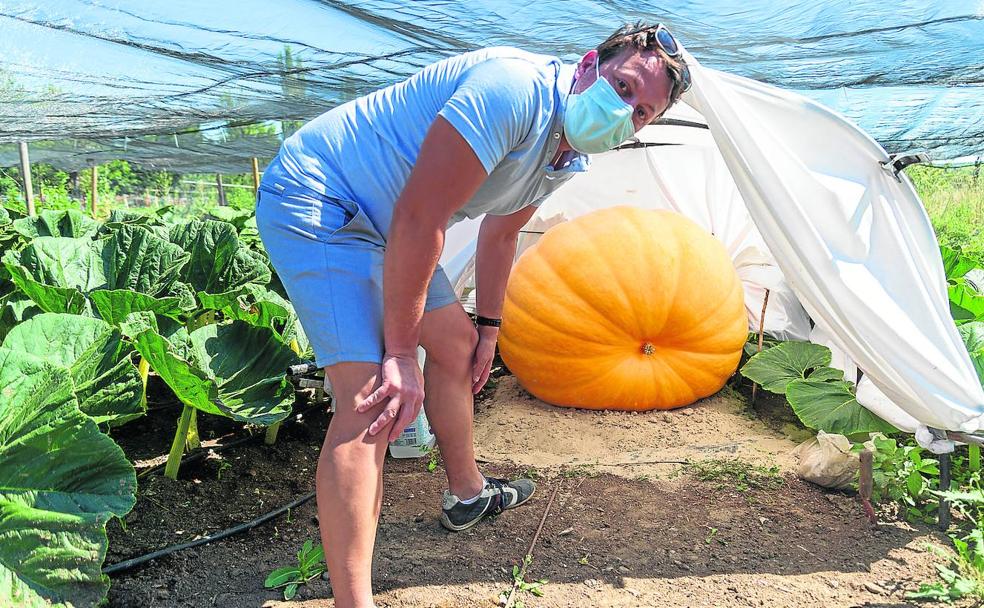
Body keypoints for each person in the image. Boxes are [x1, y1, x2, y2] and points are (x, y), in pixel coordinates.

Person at [255, 21, 691, 608]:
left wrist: (489, 328)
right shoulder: (512, 91)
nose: (625, 112)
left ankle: (467, 494)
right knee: (370, 402)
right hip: (321, 200)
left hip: (389, 225)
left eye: (641, 112)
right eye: (623, 87)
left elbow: (501, 233)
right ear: (590, 64)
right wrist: (400, 354)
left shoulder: (568, 157)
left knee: (457, 346)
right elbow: (421, 218)